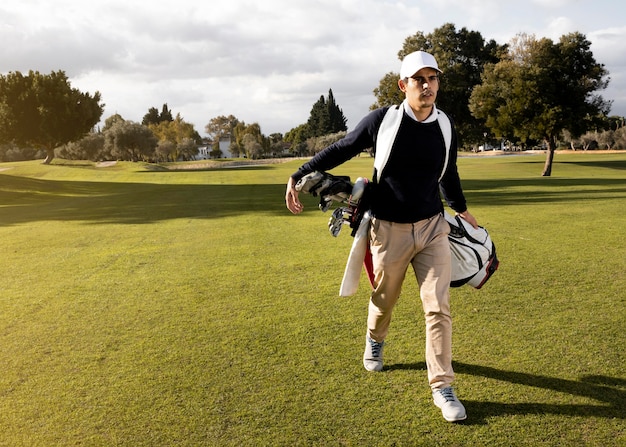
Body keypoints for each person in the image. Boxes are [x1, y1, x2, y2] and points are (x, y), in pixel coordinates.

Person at [285, 50, 477, 423]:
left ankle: (442, 386)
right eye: (418, 79)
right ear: (403, 85)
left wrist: (462, 209)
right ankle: (375, 340)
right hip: (388, 229)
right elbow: (341, 148)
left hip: (433, 228)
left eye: (432, 78)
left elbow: (448, 172)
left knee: (438, 307)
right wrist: (299, 173)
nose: (426, 85)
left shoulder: (445, 124)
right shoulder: (382, 121)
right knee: (384, 300)